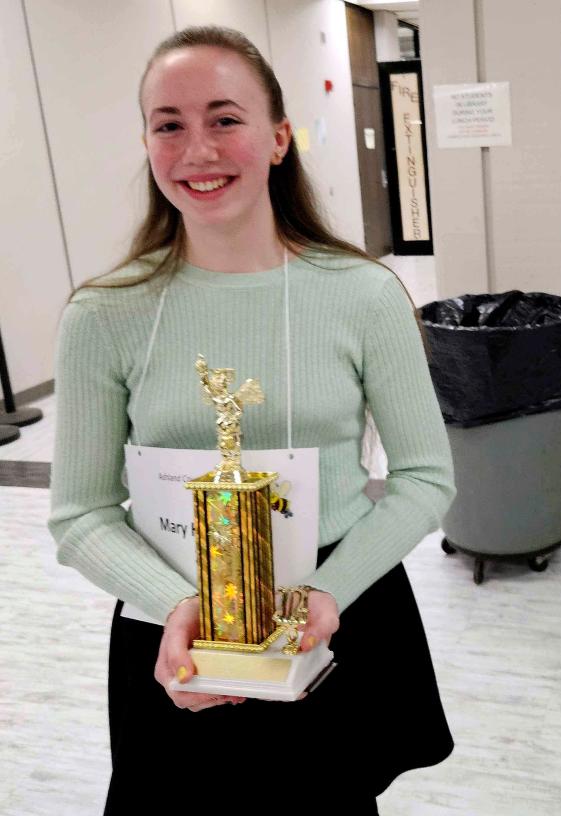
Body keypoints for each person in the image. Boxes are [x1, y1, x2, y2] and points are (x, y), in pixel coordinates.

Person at [48, 26, 455, 814]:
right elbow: (79, 514)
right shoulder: (105, 315)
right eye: (169, 124)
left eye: (224, 118)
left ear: (277, 139)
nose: (198, 148)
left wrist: (329, 594)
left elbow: (424, 479)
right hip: (171, 627)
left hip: (328, 614)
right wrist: (175, 605)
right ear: (148, 143)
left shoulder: (363, 296)